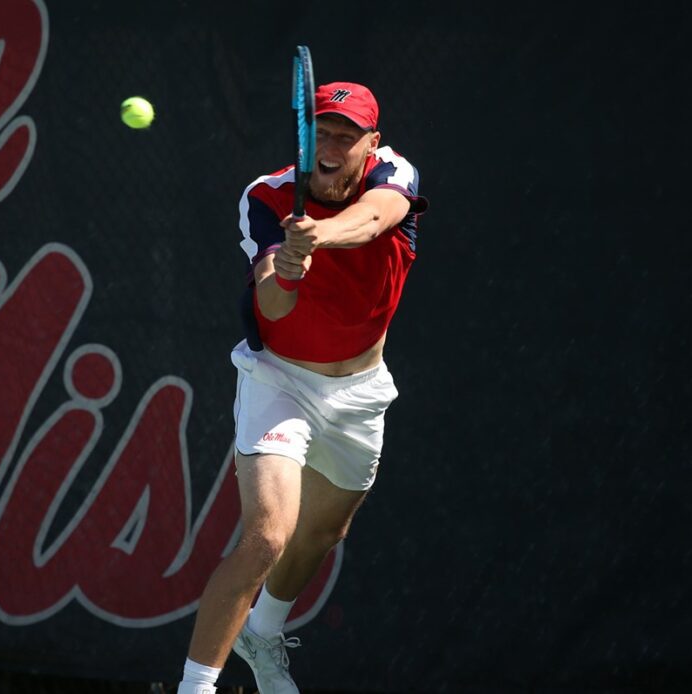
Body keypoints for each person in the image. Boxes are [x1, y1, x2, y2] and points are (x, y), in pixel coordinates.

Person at [177, 81, 428, 694]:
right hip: (280, 379)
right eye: (323, 132)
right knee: (267, 536)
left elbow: (376, 220)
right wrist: (283, 271)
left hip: (361, 391)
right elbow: (270, 301)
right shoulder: (265, 196)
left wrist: (318, 236)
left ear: (371, 144)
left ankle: (263, 633)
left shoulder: (393, 173)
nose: (334, 145)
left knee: (324, 532)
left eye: (348, 135)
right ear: (305, 138)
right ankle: (195, 687)